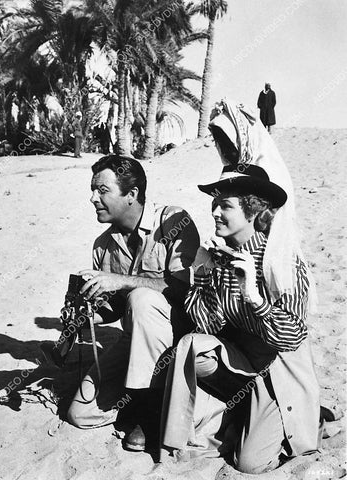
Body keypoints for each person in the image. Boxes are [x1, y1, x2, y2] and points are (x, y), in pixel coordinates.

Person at [160, 100, 320, 474]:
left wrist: (254, 296)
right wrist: (204, 276)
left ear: (251, 211)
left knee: (249, 463)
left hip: (278, 370)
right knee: (192, 348)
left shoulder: (279, 260)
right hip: (242, 364)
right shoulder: (218, 255)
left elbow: (292, 338)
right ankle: (189, 431)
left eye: (225, 206)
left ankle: (299, 419)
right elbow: (207, 327)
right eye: (215, 203)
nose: (215, 212)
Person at [67, 154, 200, 453]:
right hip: (136, 339)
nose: (92, 198)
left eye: (102, 190)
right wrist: (87, 317)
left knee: (141, 298)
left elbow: (183, 290)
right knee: (80, 413)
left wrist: (123, 281)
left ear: (131, 194)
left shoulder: (173, 222)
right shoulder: (102, 245)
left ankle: (148, 410)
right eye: (92, 189)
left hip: (180, 338)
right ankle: (139, 396)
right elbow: (114, 309)